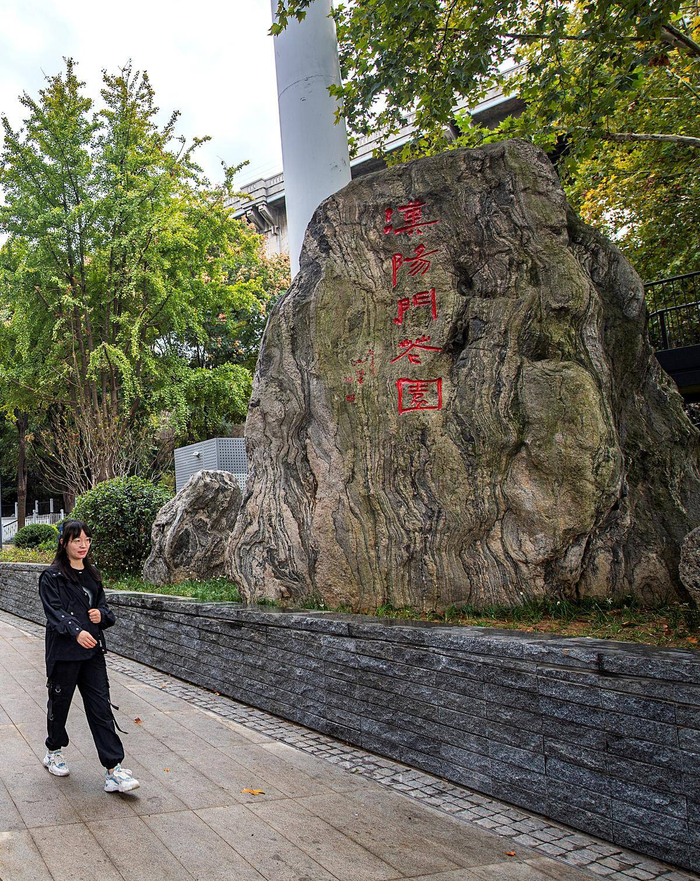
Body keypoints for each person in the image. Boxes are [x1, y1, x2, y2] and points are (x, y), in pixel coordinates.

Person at [38, 519, 140, 793]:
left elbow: (106, 611)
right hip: (65, 654)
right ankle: (54, 750)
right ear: (64, 543)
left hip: (92, 654)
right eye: (76, 540)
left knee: (101, 710)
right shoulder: (52, 577)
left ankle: (113, 770)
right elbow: (54, 613)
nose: (83, 545)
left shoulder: (93, 575)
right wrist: (76, 631)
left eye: (87, 540)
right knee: (59, 706)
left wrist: (101, 616)